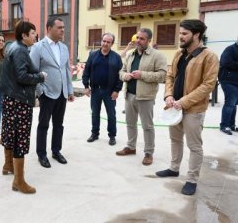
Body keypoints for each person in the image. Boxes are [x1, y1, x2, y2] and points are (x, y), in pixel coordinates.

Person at [156, 19, 219, 195]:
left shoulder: (209, 56)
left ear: (196, 34)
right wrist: (168, 95)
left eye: (184, 34)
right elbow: (169, 76)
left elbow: (208, 85)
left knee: (194, 146)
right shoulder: (179, 54)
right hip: (173, 107)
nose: (180, 37)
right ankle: (174, 168)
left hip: (194, 109)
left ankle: (191, 180)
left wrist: (183, 101)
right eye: (180, 34)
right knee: (175, 140)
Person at [0, 20, 46, 194]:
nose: (36, 35)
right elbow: (21, 76)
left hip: (11, 98)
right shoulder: (20, 50)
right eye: (33, 33)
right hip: (19, 100)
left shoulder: (14, 47)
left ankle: (8, 165)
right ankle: (19, 181)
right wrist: (40, 76)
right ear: (24, 35)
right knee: (21, 139)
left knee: (10, 133)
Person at [116, 28, 167, 166]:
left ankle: (149, 153)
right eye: (137, 38)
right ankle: (131, 147)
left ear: (149, 41)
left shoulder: (157, 55)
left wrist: (142, 75)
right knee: (130, 124)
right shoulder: (130, 54)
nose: (138, 41)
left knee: (147, 126)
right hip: (129, 95)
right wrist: (125, 76)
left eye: (142, 38)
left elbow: (163, 76)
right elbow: (121, 71)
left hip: (146, 97)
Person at [30, 17, 75, 168]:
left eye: (63, 27)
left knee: (59, 124)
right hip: (47, 93)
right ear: (49, 28)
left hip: (62, 93)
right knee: (43, 124)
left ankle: (56, 151)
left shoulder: (63, 47)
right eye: (60, 27)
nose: (63, 30)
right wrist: (39, 92)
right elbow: (33, 71)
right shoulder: (38, 47)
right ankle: (41, 154)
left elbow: (66, 69)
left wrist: (69, 90)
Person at [82, 33, 123, 146]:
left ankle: (112, 136)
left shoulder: (116, 57)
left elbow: (121, 75)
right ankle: (95, 133)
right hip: (95, 90)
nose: (105, 44)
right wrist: (86, 86)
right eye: (104, 41)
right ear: (101, 41)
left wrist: (117, 90)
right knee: (95, 113)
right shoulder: (93, 55)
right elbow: (87, 71)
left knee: (111, 114)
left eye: (108, 42)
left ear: (112, 44)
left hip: (110, 92)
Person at [218, 41, 238, 135]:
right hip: (228, 80)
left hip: (236, 81)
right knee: (230, 103)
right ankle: (224, 125)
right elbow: (225, 62)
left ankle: (231, 125)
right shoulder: (230, 49)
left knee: (233, 104)